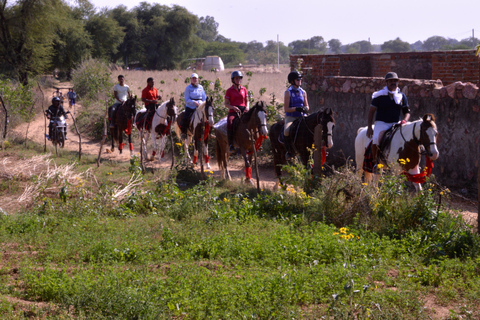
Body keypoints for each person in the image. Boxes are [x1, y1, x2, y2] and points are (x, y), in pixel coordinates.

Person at [366, 72, 410, 162]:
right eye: (391, 81)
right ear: (386, 82)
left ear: (398, 82)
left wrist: (405, 120)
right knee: (376, 139)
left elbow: (407, 112)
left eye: (395, 81)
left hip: (396, 123)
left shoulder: (402, 96)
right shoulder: (379, 96)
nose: (393, 82)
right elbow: (371, 112)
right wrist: (369, 127)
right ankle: (376, 162)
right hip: (382, 123)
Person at [283, 70, 309, 161]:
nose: (300, 81)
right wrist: (296, 109)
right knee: (286, 131)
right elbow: (286, 109)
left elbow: (307, 106)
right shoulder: (288, 92)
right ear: (292, 81)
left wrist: (305, 108)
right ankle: (289, 151)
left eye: (300, 79)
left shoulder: (303, 92)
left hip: (302, 116)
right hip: (292, 117)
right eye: (298, 79)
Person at [224, 70, 249, 153]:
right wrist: (233, 107)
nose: (238, 80)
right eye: (236, 78)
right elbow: (226, 104)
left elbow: (247, 100)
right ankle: (231, 144)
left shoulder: (244, 89)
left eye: (239, 78)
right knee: (230, 123)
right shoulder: (229, 90)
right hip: (233, 111)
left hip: (243, 109)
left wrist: (247, 107)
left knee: (252, 121)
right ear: (233, 79)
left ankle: (253, 143)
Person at [180, 73, 206, 140]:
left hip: (200, 106)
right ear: (191, 79)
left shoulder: (201, 87)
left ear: (197, 79)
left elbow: (204, 98)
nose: (194, 80)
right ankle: (184, 133)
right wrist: (193, 102)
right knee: (185, 118)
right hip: (191, 106)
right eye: (193, 78)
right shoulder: (188, 88)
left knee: (208, 117)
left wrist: (204, 104)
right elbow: (187, 99)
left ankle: (208, 132)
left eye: (196, 78)